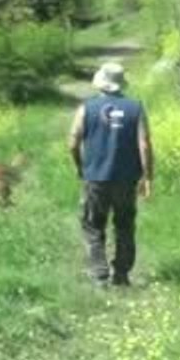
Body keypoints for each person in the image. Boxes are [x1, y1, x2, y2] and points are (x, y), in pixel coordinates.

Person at [68, 61, 153, 287]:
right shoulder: (136, 108)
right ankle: (122, 274)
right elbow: (144, 145)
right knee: (124, 225)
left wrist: (80, 166)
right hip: (126, 178)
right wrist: (147, 177)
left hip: (95, 176)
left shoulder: (87, 108)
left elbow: (73, 142)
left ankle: (99, 272)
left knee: (93, 224)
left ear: (101, 83)